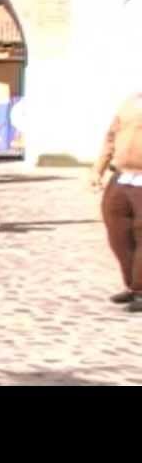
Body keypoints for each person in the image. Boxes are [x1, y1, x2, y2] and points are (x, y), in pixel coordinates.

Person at [91, 90, 142, 310]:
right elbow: (110, 138)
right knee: (118, 235)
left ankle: (140, 289)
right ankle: (132, 286)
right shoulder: (130, 103)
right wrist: (98, 170)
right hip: (121, 176)